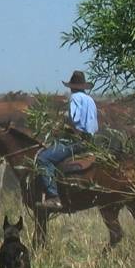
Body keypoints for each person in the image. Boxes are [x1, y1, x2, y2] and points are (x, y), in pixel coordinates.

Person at [35, 70, 99, 211]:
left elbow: (74, 121)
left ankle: (54, 197)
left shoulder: (74, 98)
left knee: (43, 159)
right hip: (90, 142)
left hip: (76, 142)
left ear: (72, 86)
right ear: (83, 86)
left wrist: (61, 127)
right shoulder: (91, 100)